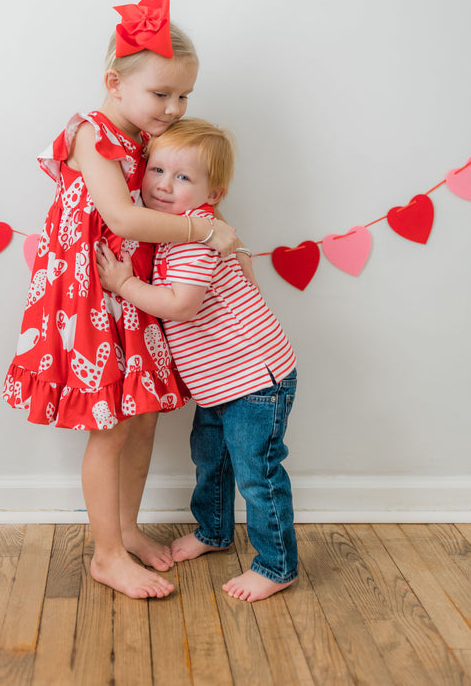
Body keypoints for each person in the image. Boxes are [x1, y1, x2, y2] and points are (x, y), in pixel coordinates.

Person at [3, 0, 238, 600]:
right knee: (109, 426)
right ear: (115, 82)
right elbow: (121, 217)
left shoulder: (146, 138)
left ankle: (126, 528)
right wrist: (203, 230)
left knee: (140, 418)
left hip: (126, 287)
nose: (175, 108)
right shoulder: (93, 135)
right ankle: (106, 554)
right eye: (162, 94)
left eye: (184, 96)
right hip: (87, 293)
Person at [97, 118, 298, 602]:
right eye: (157, 169)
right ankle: (213, 532)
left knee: (257, 472)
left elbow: (181, 304)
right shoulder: (182, 231)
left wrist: (124, 285)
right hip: (221, 383)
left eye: (183, 177)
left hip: (254, 379)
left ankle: (277, 565)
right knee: (211, 460)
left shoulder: (194, 238)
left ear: (215, 192)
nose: (164, 185)